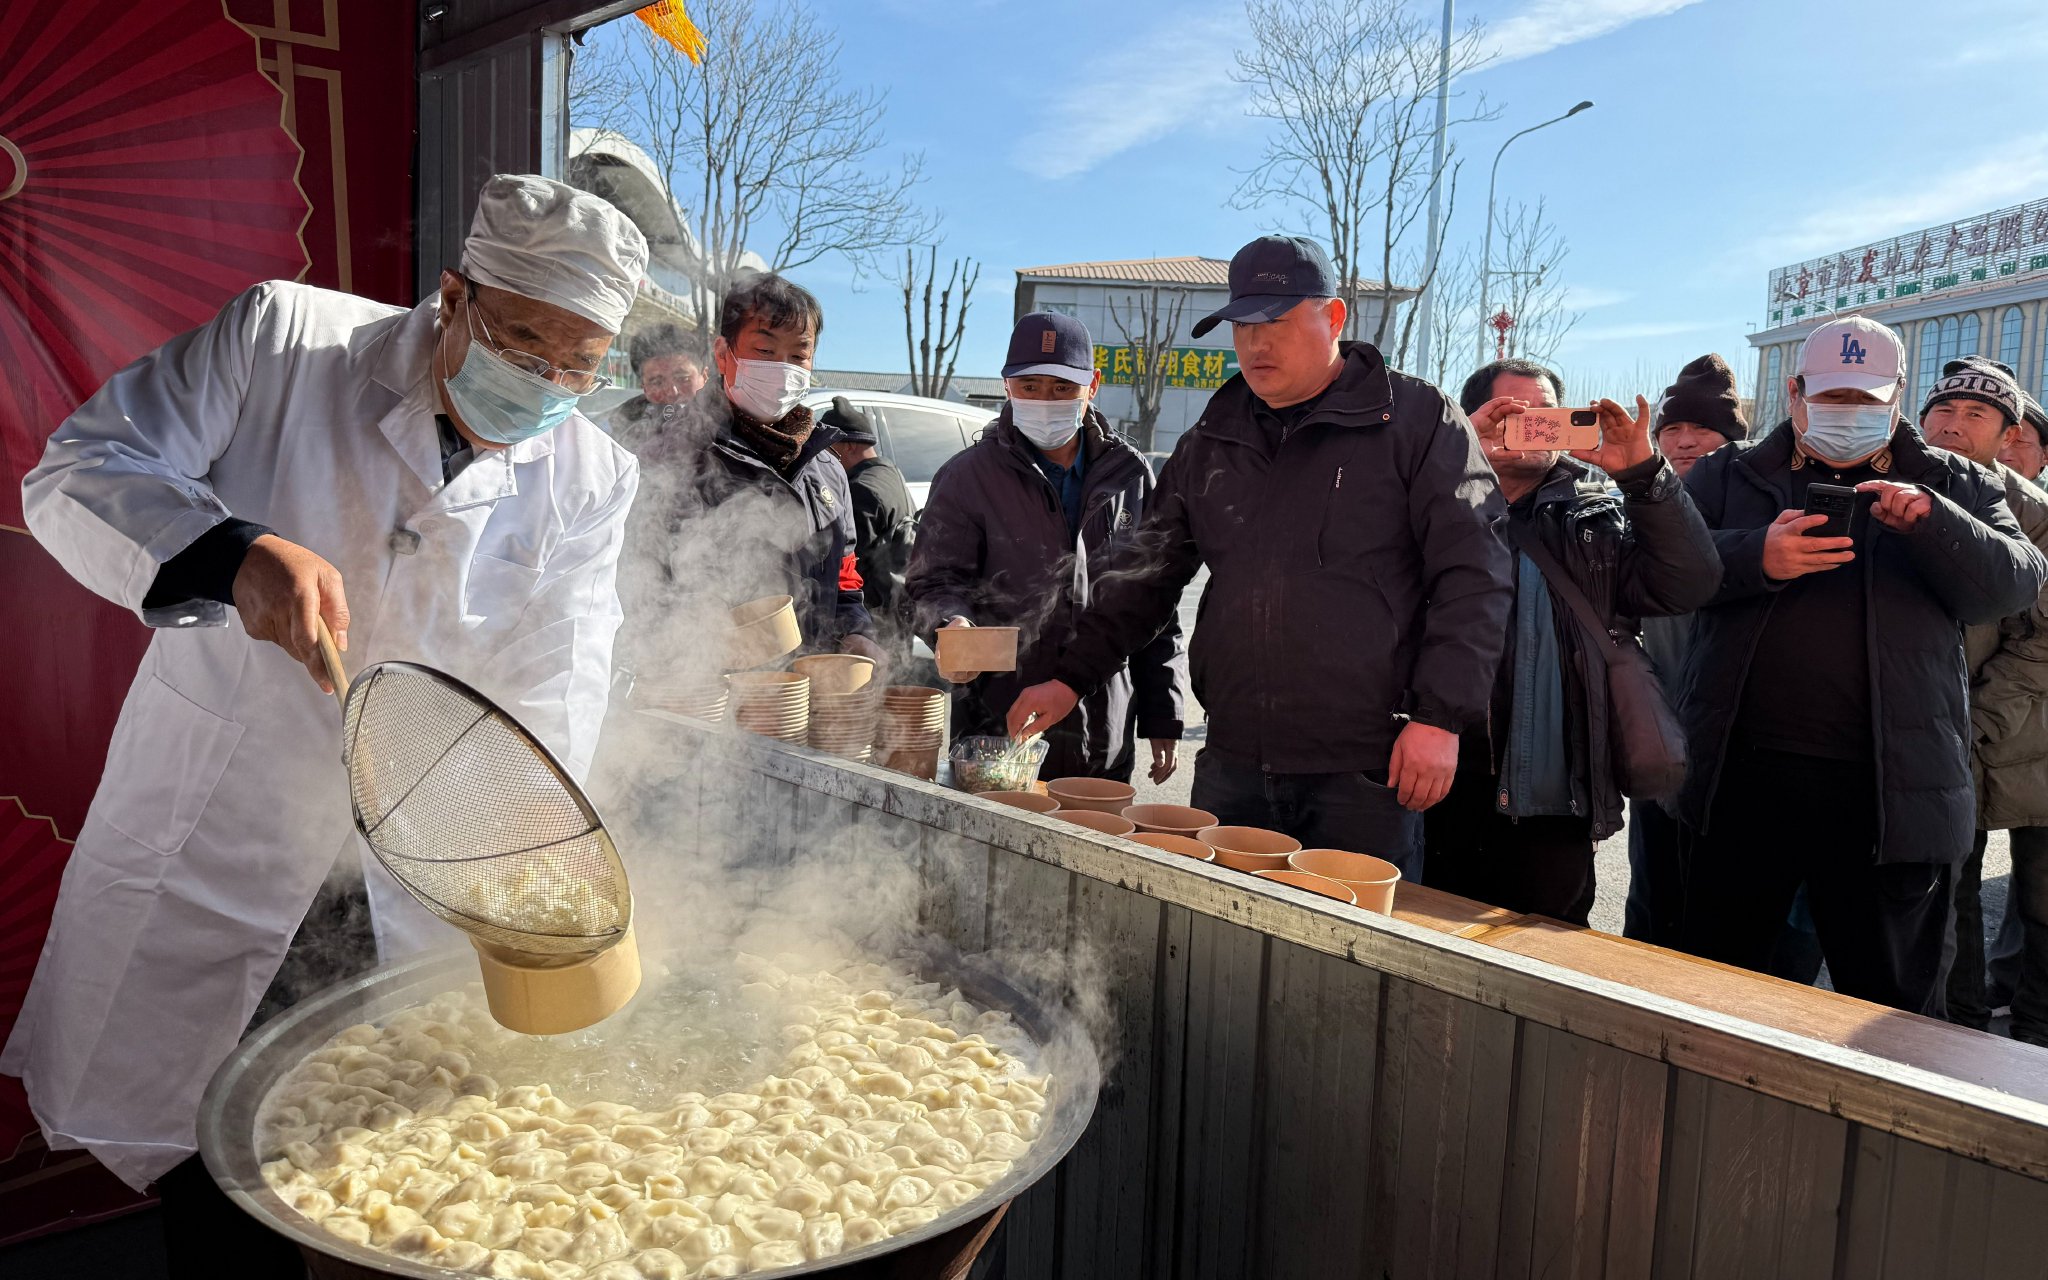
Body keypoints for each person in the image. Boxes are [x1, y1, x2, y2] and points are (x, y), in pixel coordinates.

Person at [3, 175, 646, 1268]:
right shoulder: (284, 341)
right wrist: (231, 551)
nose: (547, 383)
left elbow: (560, 677)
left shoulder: (591, 473)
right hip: (224, 827)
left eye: (578, 364)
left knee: (377, 1159)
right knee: (209, 1158)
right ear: (454, 298)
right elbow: (79, 470)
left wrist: (528, 849)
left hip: (414, 867)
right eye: (524, 343)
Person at [1005, 236, 1512, 873]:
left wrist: (1440, 718)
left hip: (1365, 768)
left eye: (1276, 323)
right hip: (1235, 761)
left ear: (1333, 317)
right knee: (1218, 928)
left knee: (1349, 931)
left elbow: (1475, 576)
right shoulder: (1213, 438)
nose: (1255, 345)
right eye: (1242, 326)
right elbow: (1145, 578)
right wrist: (1070, 678)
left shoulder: (1414, 420)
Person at [1675, 315, 2048, 1016]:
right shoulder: (1732, 473)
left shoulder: (1953, 481)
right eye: (1833, 397)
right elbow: (1664, 569)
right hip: (1741, 783)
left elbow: (2016, 583)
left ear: (1898, 395)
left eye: (1867, 400)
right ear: (1796, 392)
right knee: (1720, 995)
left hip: (1893, 793)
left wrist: (1936, 524)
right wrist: (1754, 556)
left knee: (1892, 1015)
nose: (1849, 413)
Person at [1423, 361, 1720, 924]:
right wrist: (1451, 461)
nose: (1531, 425)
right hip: (1431, 774)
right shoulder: (1429, 503)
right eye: (1512, 413)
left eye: (1546, 414)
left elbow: (1690, 583)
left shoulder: (1597, 521)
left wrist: (1645, 477)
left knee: (1540, 948)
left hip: (1552, 795)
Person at [908, 313, 1188, 783]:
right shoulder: (967, 477)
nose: (1044, 401)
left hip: (1102, 726)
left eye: (1062, 388)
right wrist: (949, 625)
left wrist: (1164, 711)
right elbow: (932, 582)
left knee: (1091, 829)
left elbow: (1155, 602)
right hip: (997, 725)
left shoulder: (1130, 476)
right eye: (1030, 386)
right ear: (1007, 386)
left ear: (1092, 385)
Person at [624, 272, 882, 675]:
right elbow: (634, 583)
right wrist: (695, 647)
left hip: (806, 691)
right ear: (722, 354)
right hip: (704, 693)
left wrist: (856, 631)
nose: (782, 369)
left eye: (798, 356)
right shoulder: (671, 456)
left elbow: (844, 577)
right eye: (764, 350)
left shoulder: (827, 467)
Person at [1913, 357, 2048, 1035]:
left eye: (1976, 415)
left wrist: (1973, 718)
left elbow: (2040, 643)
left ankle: (2027, 1035)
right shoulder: (1888, 490)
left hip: (2006, 731)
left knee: (2032, 899)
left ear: (2007, 433)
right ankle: (1956, 1026)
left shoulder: (2031, 514)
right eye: (1943, 409)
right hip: (1923, 731)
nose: (1954, 425)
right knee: (1942, 898)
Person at [1626, 354, 1746, 945]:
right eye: (1672, 428)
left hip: (1735, 737)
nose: (1685, 440)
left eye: (1702, 428)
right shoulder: (1636, 504)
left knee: (1723, 903)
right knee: (1652, 888)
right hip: (1659, 727)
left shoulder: (1761, 509)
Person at [822, 396, 917, 655]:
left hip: (872, 622)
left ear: (849, 445)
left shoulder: (859, 490)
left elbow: (848, 563)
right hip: (897, 610)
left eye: (828, 450)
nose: (822, 460)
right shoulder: (890, 472)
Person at [607, 321, 707, 450]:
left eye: (683, 379)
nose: (672, 392)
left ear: (704, 376)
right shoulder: (623, 423)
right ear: (644, 387)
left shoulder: (726, 423)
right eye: (657, 383)